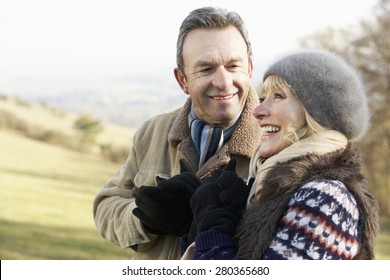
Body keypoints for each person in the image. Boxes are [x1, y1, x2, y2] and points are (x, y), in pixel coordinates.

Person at [92, 6, 260, 260]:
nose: (224, 82)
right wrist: (145, 219)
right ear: (182, 80)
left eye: (233, 65)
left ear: (249, 69)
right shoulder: (153, 132)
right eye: (206, 69)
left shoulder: (279, 140)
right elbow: (105, 206)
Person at [182, 49, 380, 260]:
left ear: (315, 114)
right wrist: (190, 225)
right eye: (262, 97)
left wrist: (213, 233)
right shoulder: (277, 190)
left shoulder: (325, 198)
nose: (257, 111)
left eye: (278, 96)